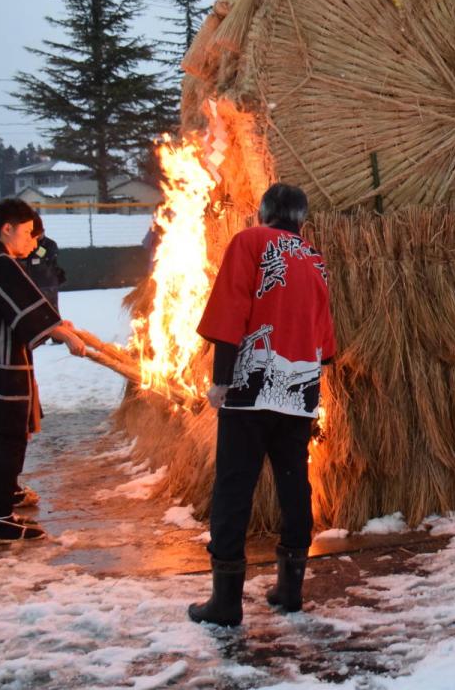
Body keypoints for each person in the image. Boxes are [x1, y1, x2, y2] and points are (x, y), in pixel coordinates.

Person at [188, 183, 336, 626]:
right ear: (301, 220)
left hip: (250, 385)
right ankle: (290, 591)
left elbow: (231, 309)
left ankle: (226, 601)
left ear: (263, 214)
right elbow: (324, 329)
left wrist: (221, 379)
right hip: (300, 386)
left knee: (235, 486)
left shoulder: (249, 241)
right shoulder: (314, 257)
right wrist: (314, 374)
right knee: (294, 483)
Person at [0, 199, 85, 540]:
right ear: (7, 229)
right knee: (10, 437)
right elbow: (27, 308)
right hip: (4, 367)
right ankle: (1, 516)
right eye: (27, 233)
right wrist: (64, 335)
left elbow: (13, 310)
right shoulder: (1, 263)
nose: (33, 241)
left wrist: (57, 325)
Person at [19, 214, 66, 312]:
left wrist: (35, 250)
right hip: (32, 284)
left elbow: (46, 257)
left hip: (48, 284)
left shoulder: (49, 244)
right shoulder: (26, 244)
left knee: (51, 313)